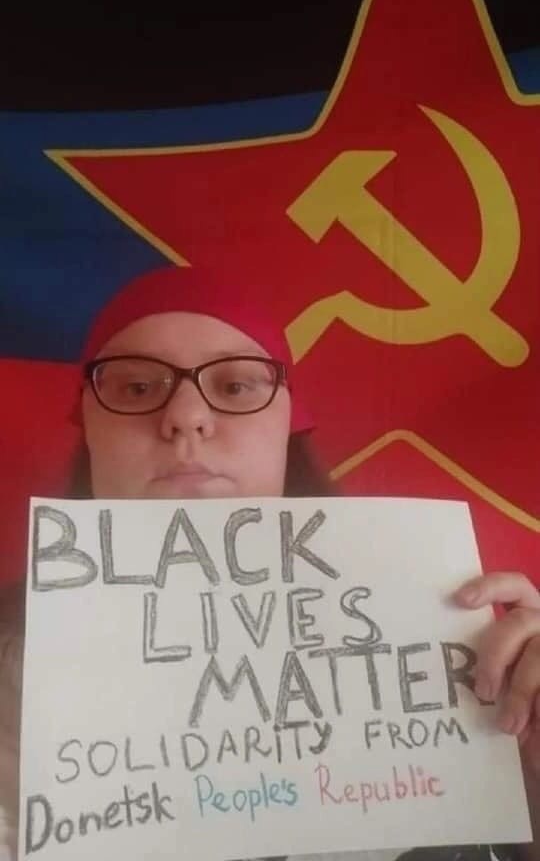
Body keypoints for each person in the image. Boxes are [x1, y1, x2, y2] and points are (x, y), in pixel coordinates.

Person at [1, 264, 539, 861]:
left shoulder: (452, 635)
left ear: (287, 425)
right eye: (136, 388)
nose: (186, 417)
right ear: (89, 428)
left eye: (234, 386)